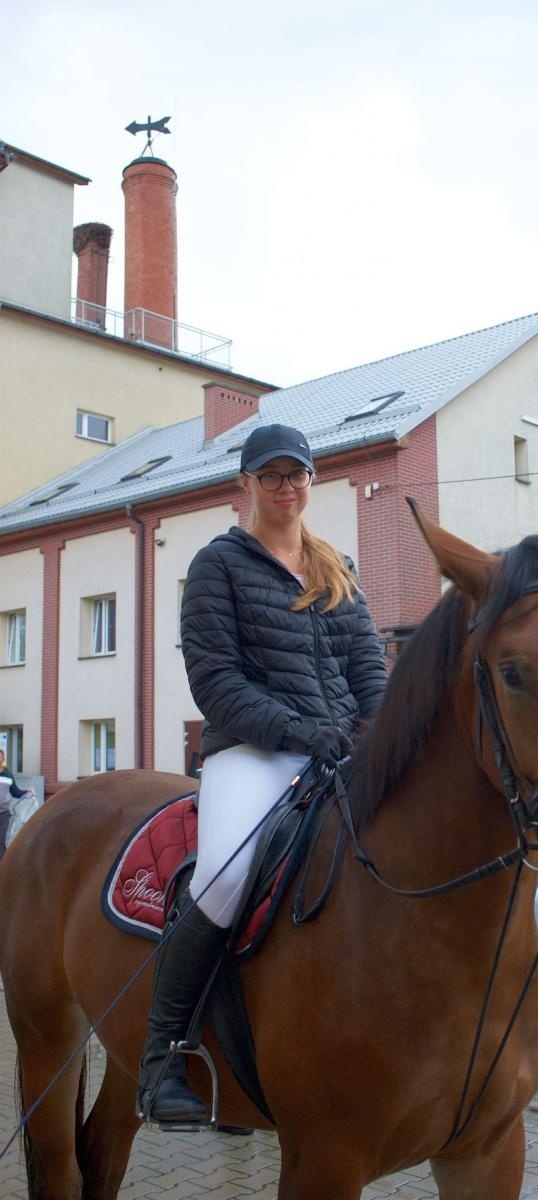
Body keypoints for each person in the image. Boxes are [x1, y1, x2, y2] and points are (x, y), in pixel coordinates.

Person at [137, 423, 388, 1126]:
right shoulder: (218, 565)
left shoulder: (336, 567)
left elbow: (369, 673)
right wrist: (296, 730)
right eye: (271, 475)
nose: (287, 487)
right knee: (222, 878)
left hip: (339, 750)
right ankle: (163, 1056)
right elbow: (214, 680)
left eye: (298, 474)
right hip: (251, 751)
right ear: (243, 485)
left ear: (313, 481)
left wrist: (381, 735)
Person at [0, 749, 36, 865]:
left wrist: (27, 791)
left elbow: (15, 792)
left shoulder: (8, 775)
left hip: (4, 814)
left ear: (3, 759)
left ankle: (2, 867)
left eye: (0, 757)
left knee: (2, 841)